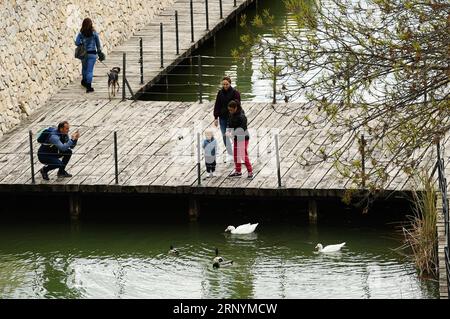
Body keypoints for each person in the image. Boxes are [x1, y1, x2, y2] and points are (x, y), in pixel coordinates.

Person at [213, 76, 241, 163]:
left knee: (232, 135)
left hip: (232, 117)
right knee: (224, 135)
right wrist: (215, 117)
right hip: (222, 117)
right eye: (224, 84)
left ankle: (238, 153)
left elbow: (238, 104)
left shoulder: (235, 93)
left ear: (230, 83)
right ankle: (230, 154)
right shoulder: (220, 93)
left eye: (227, 84)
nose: (225, 86)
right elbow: (217, 105)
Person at [75, 18, 105, 93]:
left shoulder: (81, 33)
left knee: (84, 68)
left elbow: (77, 42)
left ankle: (84, 81)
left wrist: (81, 43)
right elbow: (98, 44)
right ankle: (89, 86)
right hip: (92, 54)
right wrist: (99, 53)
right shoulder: (94, 33)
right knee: (90, 70)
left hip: (84, 54)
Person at [226, 100, 253, 179]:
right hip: (236, 137)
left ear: (235, 108)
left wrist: (233, 132)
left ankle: (250, 171)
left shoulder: (242, 116)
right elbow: (229, 123)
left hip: (243, 137)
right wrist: (228, 130)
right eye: (229, 110)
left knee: (242, 155)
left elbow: (242, 128)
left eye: (231, 110)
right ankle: (238, 171)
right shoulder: (231, 114)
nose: (230, 112)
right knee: (236, 155)